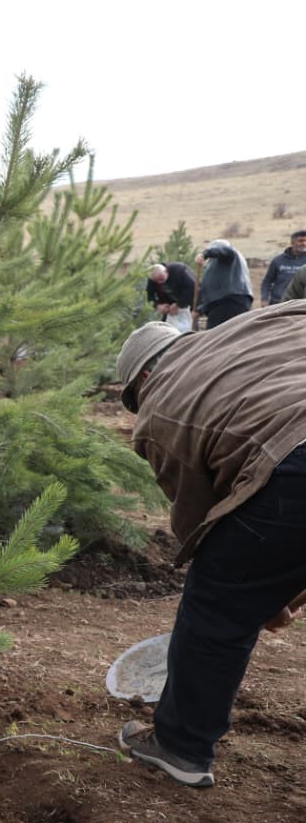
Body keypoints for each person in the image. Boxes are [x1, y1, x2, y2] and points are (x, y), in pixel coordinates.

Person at [113, 305, 306, 787]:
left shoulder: (161, 404)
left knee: (217, 602)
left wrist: (254, 592)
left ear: (145, 376)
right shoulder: (258, 324)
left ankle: (180, 746)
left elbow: (203, 518)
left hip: (297, 453)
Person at [194, 239, 253, 328]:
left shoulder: (229, 255)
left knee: (215, 338)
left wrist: (205, 254)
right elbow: (208, 290)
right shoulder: (223, 265)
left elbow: (225, 250)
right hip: (228, 304)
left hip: (228, 302)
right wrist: (200, 309)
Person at [145, 261, 196, 334]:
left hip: (188, 305)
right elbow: (150, 296)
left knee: (190, 331)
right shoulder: (153, 279)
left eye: (162, 279)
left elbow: (193, 289)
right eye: (157, 281)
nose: (160, 282)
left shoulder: (180, 270)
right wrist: (158, 306)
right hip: (169, 309)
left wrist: (178, 304)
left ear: (166, 271)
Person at [259, 229, 306, 306]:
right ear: (292, 243)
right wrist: (264, 299)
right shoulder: (278, 260)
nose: (304, 243)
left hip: (299, 305)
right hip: (277, 303)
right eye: (300, 241)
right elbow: (267, 281)